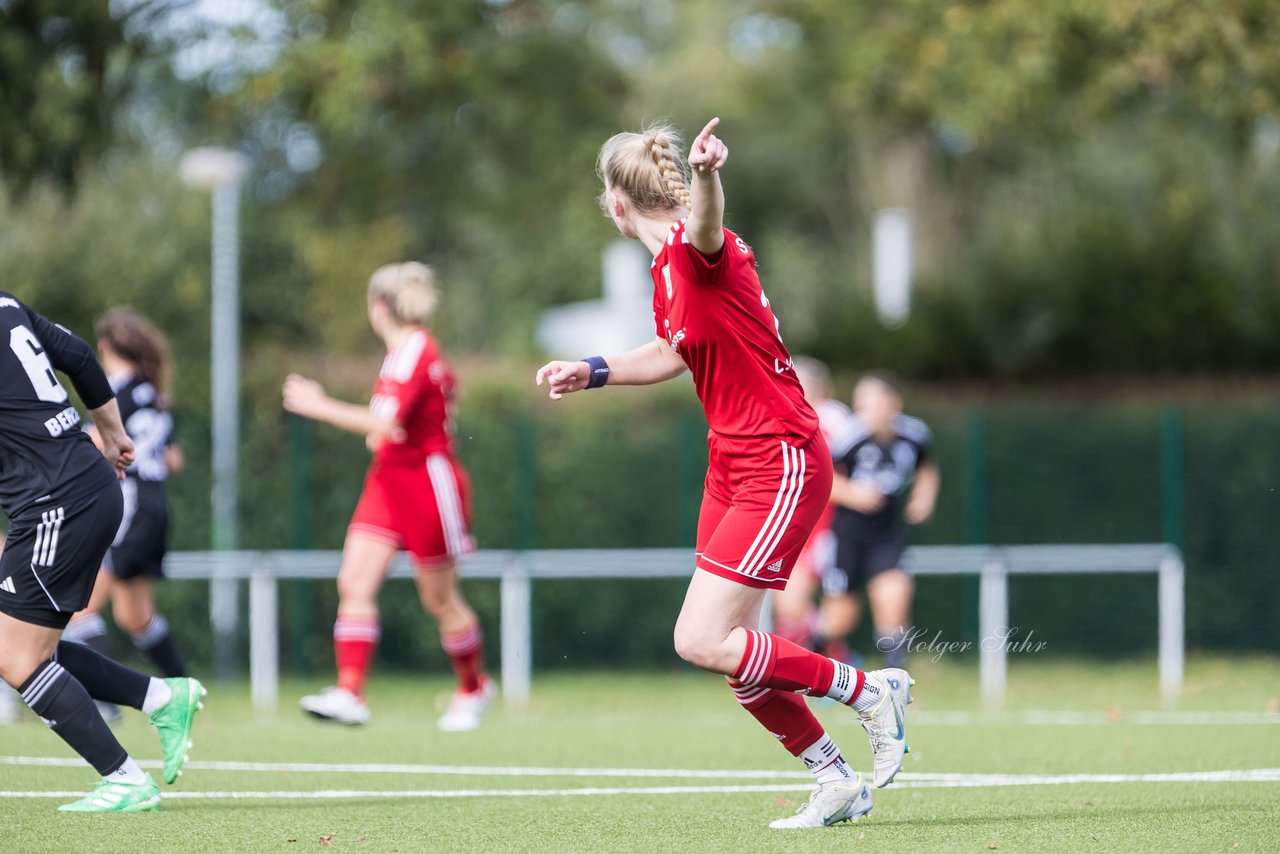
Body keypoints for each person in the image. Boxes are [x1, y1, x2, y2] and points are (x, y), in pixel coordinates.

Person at [535, 118, 913, 830]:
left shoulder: (692, 246)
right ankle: (834, 780)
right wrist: (590, 372)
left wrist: (708, 175)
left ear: (616, 204)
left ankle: (867, 689)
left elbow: (706, 226)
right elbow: (671, 353)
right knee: (738, 656)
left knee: (699, 639)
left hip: (779, 456)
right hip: (734, 465)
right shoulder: (667, 273)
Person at [0, 293, 204, 812]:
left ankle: (125, 778)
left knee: (15, 654)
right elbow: (82, 358)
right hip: (80, 488)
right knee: (27, 645)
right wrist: (112, 435)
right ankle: (161, 697)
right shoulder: (6, 305)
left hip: (55, 503)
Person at [282, 262, 493, 731]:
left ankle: (473, 687)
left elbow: (383, 423)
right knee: (354, 582)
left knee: (439, 599)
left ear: (379, 307)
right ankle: (350, 692)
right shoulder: (404, 351)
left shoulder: (414, 350)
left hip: (427, 482)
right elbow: (392, 424)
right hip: (390, 479)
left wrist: (318, 406)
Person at [64, 309, 188, 724]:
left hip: (129, 508)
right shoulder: (153, 392)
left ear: (103, 347)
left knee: (80, 610)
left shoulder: (113, 391)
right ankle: (183, 689)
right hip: (155, 508)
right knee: (134, 615)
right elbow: (174, 460)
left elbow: (94, 442)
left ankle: (106, 702)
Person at [823, 372, 940, 668]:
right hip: (847, 537)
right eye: (861, 401)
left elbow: (927, 468)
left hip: (887, 535)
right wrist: (853, 494)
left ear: (893, 403)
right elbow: (822, 478)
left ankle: (895, 685)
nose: (865, 408)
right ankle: (806, 668)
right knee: (840, 620)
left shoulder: (914, 434)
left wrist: (923, 498)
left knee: (895, 600)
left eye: (872, 400)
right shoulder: (848, 438)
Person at [772, 357, 849, 651]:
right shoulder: (782, 416)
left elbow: (846, 473)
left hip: (830, 527)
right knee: (788, 608)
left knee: (837, 610)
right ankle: (815, 663)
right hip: (794, 522)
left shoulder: (835, 419)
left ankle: (834, 658)